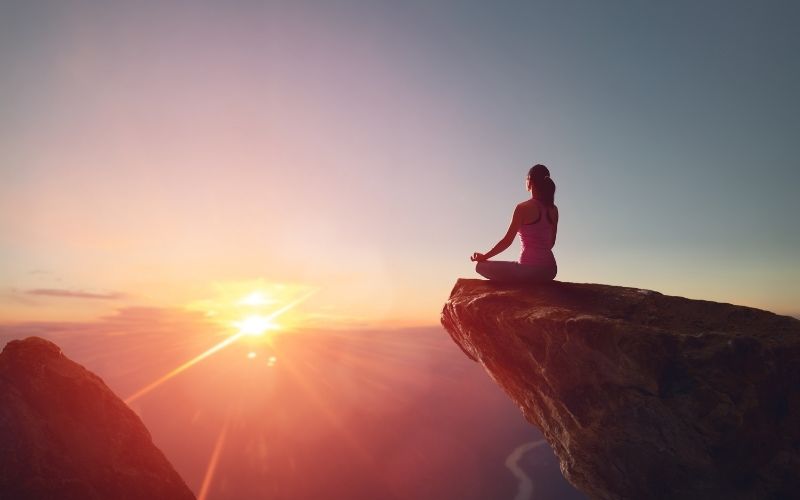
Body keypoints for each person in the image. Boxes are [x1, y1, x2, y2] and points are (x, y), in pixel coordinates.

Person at [470, 164, 558, 283]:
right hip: (550, 271)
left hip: (528, 271)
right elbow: (551, 243)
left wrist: (484, 257)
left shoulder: (522, 208)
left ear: (530, 181)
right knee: (513, 266)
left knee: (480, 266)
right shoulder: (553, 209)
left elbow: (507, 241)